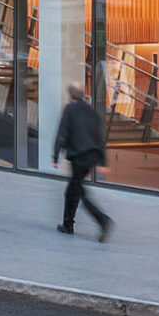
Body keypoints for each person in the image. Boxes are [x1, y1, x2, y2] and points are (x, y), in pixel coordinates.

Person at [51, 83, 113, 241]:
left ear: (71, 95)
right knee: (72, 190)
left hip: (79, 155)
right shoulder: (91, 111)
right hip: (92, 155)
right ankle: (67, 225)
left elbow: (62, 132)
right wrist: (103, 162)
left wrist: (55, 156)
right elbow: (100, 138)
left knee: (80, 192)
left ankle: (103, 220)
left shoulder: (70, 109)